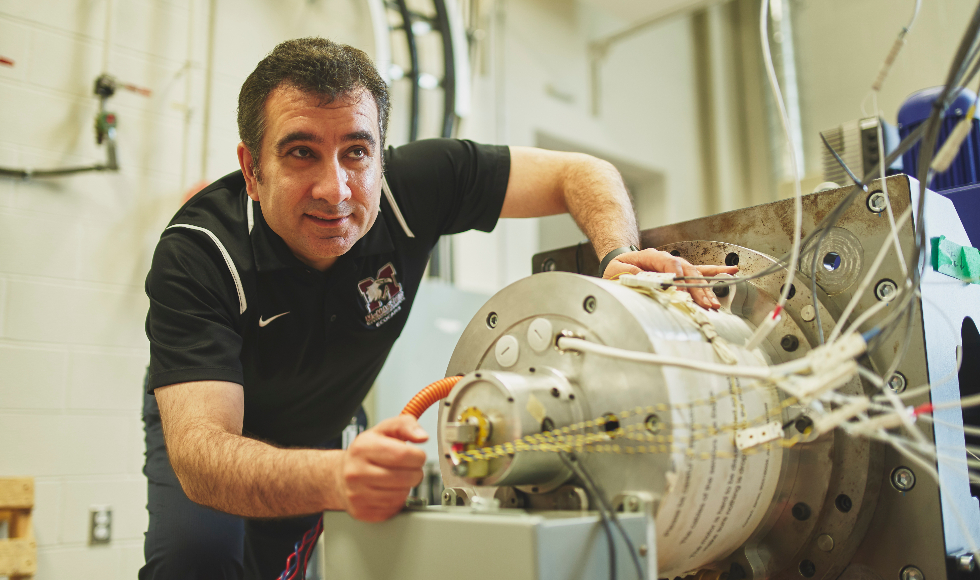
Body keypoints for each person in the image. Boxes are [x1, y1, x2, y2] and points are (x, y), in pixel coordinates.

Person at [140, 37, 736, 580]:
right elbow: (201, 456)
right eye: (300, 152)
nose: (335, 189)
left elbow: (581, 172)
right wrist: (338, 478)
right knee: (198, 562)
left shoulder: (418, 184)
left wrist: (616, 258)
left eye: (356, 152)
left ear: (381, 156)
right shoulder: (200, 254)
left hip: (320, 429)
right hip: (216, 426)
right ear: (251, 169)